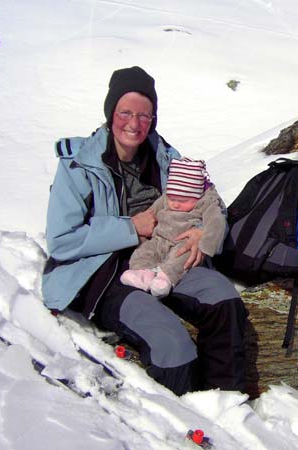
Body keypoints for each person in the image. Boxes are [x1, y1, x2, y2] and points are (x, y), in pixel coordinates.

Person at [42, 66, 247, 395]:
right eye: (125, 112)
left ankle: (228, 406)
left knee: (224, 300)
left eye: (144, 115)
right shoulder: (78, 163)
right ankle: (187, 423)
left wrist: (203, 233)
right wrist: (129, 228)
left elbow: (210, 199)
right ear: (111, 113)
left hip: (166, 258)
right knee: (170, 341)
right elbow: (61, 241)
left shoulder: (166, 157)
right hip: (106, 274)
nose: (134, 124)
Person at [120, 157, 227, 297]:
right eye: (171, 199)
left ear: (197, 197)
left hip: (184, 242)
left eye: (183, 201)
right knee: (144, 250)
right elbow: (152, 212)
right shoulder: (168, 197)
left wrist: (206, 245)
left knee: (182, 258)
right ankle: (141, 273)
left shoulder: (206, 202)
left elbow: (216, 221)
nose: (175, 204)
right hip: (160, 238)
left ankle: (165, 279)